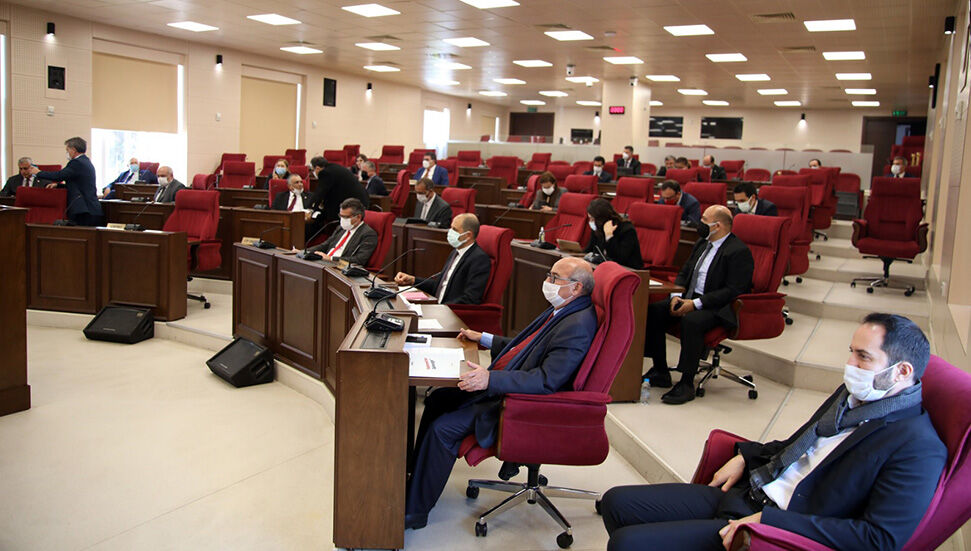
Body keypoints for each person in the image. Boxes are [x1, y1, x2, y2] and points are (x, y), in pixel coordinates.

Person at [604, 313, 945, 551]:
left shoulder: (917, 445)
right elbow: (800, 445)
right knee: (616, 503)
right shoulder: (851, 398)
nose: (850, 365)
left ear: (901, 372)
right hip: (752, 491)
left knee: (627, 544)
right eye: (851, 353)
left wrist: (770, 523)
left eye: (863, 357)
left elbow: (879, 539)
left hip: (775, 531)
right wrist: (745, 456)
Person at [405, 256, 598, 529]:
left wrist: (490, 379)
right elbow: (526, 348)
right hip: (506, 387)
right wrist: (483, 338)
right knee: (438, 399)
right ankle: (413, 477)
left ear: (576, 287)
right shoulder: (563, 309)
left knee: (443, 429)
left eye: (555, 278)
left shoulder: (577, 325)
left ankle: (413, 512)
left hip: (519, 405)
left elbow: (546, 381)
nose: (547, 281)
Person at [643, 205, 754, 404]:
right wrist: (676, 295)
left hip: (717, 306)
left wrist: (695, 304)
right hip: (689, 297)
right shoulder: (702, 243)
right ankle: (660, 370)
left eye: (704, 220)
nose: (699, 224)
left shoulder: (738, 251)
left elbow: (732, 290)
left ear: (717, 226)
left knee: (692, 321)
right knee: (653, 311)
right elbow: (685, 271)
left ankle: (686, 383)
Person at [394, 213, 490, 304]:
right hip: (438, 306)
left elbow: (470, 298)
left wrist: (442, 308)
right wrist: (413, 280)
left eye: (454, 229)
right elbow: (439, 286)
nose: (450, 232)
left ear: (468, 235)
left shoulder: (479, 259)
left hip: (451, 311)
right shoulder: (455, 252)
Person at [30, 137, 103, 226]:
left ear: (73, 150)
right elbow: (79, 185)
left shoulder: (76, 163)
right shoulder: (85, 161)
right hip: (90, 208)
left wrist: (38, 172)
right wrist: (58, 186)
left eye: (67, 150)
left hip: (83, 210)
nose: (67, 153)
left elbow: (58, 176)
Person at [307, 198, 377, 265]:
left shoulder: (368, 234)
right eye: (341, 216)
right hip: (325, 263)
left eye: (346, 217)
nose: (342, 220)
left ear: (358, 217)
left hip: (340, 267)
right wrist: (306, 252)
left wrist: (331, 259)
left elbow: (359, 260)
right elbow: (325, 245)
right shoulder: (341, 228)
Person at [307, 155, 370, 228]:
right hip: (360, 200)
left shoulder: (325, 172)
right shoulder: (334, 167)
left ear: (317, 168)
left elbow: (319, 193)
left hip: (353, 204)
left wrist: (309, 208)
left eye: (312, 170)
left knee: (321, 218)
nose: (313, 173)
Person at [585, 198, 643, 270]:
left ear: (601, 218)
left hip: (628, 270)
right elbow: (589, 250)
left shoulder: (627, 230)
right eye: (590, 218)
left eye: (593, 219)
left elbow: (619, 259)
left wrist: (609, 237)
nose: (591, 222)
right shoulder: (598, 228)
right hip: (603, 268)